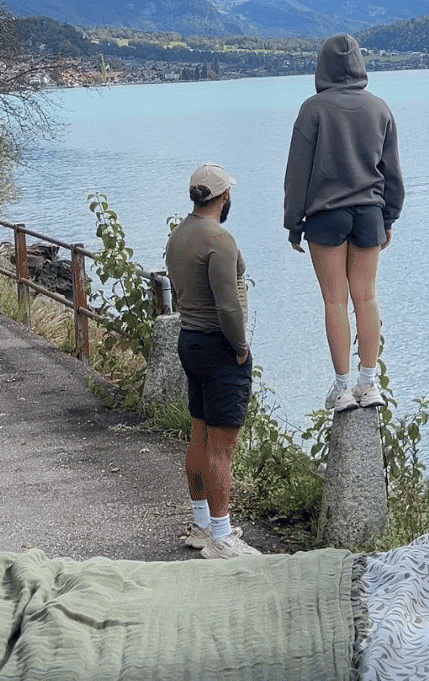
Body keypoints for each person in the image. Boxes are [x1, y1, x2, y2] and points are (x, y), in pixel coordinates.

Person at [283, 33, 404, 413]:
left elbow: (297, 174)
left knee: (334, 301)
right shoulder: (380, 109)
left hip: (326, 216)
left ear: (322, 66)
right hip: (369, 213)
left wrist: (293, 222)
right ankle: (369, 384)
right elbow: (392, 172)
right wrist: (389, 216)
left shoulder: (312, 110)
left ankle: (341, 389)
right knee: (366, 297)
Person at [165, 162, 259, 560]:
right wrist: (239, 347)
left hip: (189, 339)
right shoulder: (220, 239)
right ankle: (222, 538)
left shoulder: (178, 236)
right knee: (223, 446)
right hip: (219, 345)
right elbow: (229, 304)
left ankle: (202, 523)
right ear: (223, 197)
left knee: (199, 434)